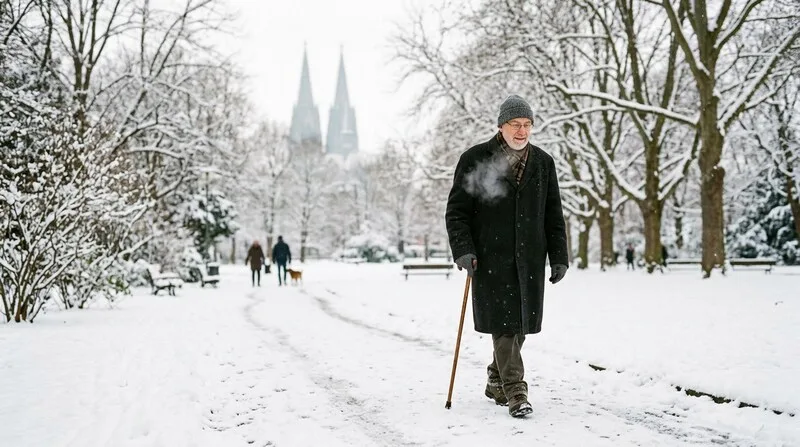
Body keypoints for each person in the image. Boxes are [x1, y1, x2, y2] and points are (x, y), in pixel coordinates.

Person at [445, 95, 569, 418]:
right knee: (505, 325)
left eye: (527, 125)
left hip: (529, 260)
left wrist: (559, 256)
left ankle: (496, 376)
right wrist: (464, 249)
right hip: (490, 259)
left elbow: (553, 215)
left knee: (520, 326)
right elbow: (457, 212)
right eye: (515, 124)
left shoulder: (543, 163)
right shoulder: (475, 159)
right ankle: (516, 391)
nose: (522, 131)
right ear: (501, 126)